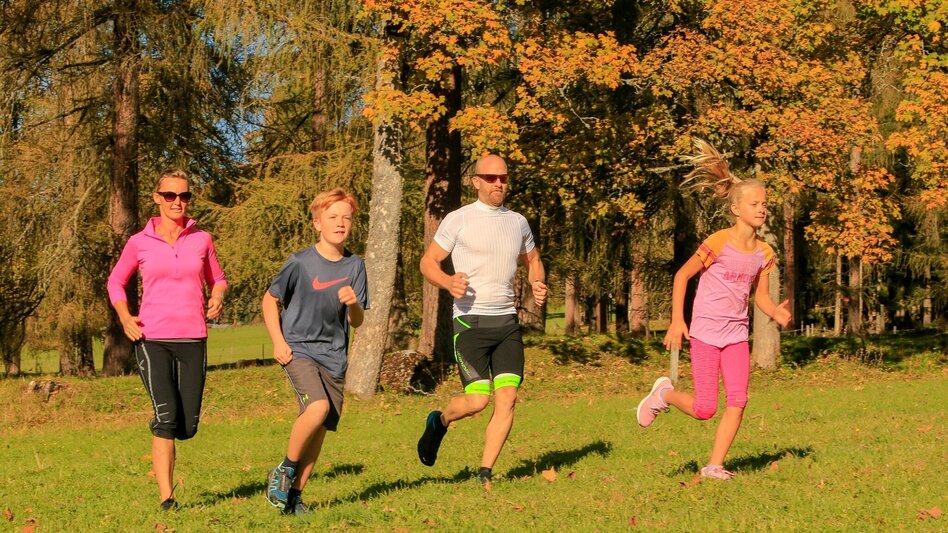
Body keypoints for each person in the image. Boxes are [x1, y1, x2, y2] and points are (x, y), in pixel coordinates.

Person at [636, 140, 791, 480]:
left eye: (764, 204)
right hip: (705, 333)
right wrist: (678, 320)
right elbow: (682, 275)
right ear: (737, 209)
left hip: (736, 335)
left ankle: (714, 465)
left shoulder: (764, 253)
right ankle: (664, 393)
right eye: (754, 203)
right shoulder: (718, 242)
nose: (762, 209)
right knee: (705, 409)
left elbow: (760, 297)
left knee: (738, 400)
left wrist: (775, 313)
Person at [416, 154, 548, 488]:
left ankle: (485, 473)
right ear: (476, 181)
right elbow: (428, 262)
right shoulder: (458, 220)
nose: (499, 184)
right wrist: (447, 283)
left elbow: (532, 258)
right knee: (478, 401)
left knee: (508, 398)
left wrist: (536, 281)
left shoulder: (517, 222)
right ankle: (440, 421)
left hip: (506, 323)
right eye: (491, 178)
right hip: (470, 323)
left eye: (503, 178)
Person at [107, 168, 228, 510]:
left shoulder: (202, 239)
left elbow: (217, 278)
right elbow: (116, 282)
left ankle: (171, 423)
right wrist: (124, 316)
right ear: (157, 199)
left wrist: (217, 295)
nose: (178, 202)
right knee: (166, 418)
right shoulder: (139, 242)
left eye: (185, 196)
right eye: (171, 195)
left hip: (193, 337)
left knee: (187, 425)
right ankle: (167, 498)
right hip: (152, 338)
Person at [262, 188, 368, 514]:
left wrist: (352, 304)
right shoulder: (300, 262)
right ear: (317, 223)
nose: (340, 223)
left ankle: (294, 497)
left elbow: (358, 320)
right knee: (317, 408)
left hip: (334, 356)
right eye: (332, 217)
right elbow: (270, 300)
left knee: (320, 429)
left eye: (346, 218)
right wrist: (279, 342)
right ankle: (283, 469)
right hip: (299, 349)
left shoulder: (355, 266)